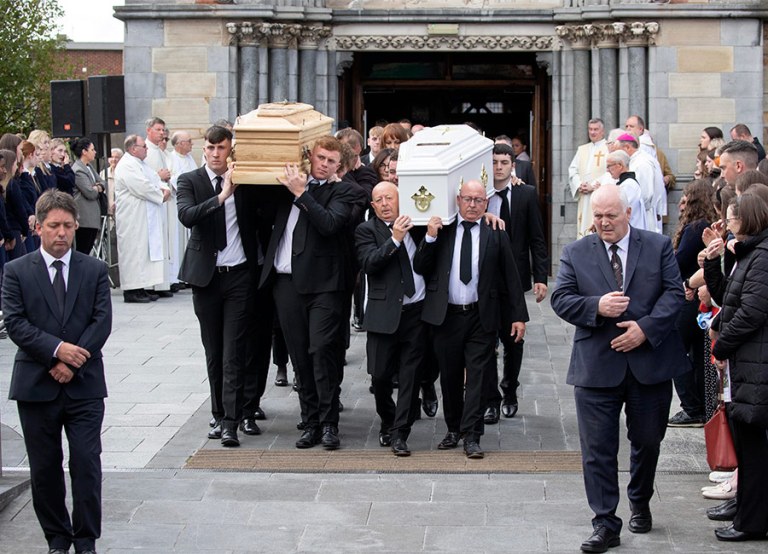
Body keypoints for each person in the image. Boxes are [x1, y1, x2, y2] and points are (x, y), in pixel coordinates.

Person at [551, 184, 688, 553]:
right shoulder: (576, 252)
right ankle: (605, 522)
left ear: (628, 212)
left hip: (650, 364)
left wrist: (645, 329)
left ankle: (640, 499)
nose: (604, 222)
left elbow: (675, 294)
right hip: (597, 365)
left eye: (611, 215)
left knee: (647, 439)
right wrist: (596, 306)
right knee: (597, 448)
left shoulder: (657, 246)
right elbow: (560, 298)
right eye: (597, 216)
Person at [3, 189, 112, 554]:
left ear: (76, 225)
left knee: (86, 463)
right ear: (38, 227)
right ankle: (57, 538)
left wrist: (72, 360)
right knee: (45, 468)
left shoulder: (94, 269)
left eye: (68, 225)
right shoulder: (16, 271)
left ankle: (86, 539)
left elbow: (101, 322)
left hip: (85, 385)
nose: (62, 233)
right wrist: (55, 354)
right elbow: (16, 323)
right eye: (54, 226)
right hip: (36, 385)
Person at [259, 135, 367, 450]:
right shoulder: (288, 184)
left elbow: (330, 223)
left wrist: (301, 193)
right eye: (320, 157)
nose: (323, 164)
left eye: (331, 161)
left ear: (341, 166)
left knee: (323, 352)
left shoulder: (347, 191)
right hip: (286, 283)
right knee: (299, 356)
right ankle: (310, 422)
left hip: (326, 287)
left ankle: (329, 423)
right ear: (311, 157)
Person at [413, 180, 528, 459]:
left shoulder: (495, 232)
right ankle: (454, 429)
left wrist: (518, 316)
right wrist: (429, 237)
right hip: (447, 316)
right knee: (450, 376)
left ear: (486, 203)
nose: (473, 205)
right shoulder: (443, 229)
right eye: (468, 199)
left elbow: (511, 276)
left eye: (479, 200)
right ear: (458, 200)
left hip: (481, 315)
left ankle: (473, 435)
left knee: (477, 375)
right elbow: (420, 265)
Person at [177, 125, 263, 447]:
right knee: (213, 351)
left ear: (231, 150)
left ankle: (231, 420)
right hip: (206, 277)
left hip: (240, 275)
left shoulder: (245, 182)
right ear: (204, 149)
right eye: (211, 149)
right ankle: (217, 413)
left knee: (233, 352)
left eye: (222, 148)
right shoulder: (190, 181)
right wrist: (222, 196)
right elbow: (187, 215)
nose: (216, 154)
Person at [705, 192, 768, 542]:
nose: (727, 225)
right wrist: (713, 263)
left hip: (755, 362)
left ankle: (752, 521)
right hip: (745, 360)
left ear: (749, 219)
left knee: (753, 446)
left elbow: (752, 311)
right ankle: (747, 513)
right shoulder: (749, 253)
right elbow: (728, 296)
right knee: (748, 444)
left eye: (731, 219)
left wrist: (723, 343)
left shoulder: (761, 255)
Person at [355, 181, 427, 456]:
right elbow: (369, 263)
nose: (385, 203)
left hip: (416, 312)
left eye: (389, 197)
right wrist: (394, 239)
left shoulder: (417, 225)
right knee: (381, 376)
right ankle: (388, 419)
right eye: (379, 200)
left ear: (400, 200)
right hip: (383, 314)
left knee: (410, 376)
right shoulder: (366, 231)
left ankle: (400, 433)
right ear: (373, 206)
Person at [484, 143, 547, 423]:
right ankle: (490, 400)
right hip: (484, 278)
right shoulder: (479, 195)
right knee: (484, 341)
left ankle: (510, 389)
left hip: (515, 278)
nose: (499, 167)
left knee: (513, 339)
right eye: (494, 162)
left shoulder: (526, 194)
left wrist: (541, 277)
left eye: (504, 162)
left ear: (513, 166)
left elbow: (537, 236)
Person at [667, 181, 717, 427]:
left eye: (685, 199)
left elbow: (679, 262)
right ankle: (702, 407)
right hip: (698, 298)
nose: (680, 203)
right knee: (698, 354)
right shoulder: (707, 226)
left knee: (675, 349)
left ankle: (691, 406)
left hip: (690, 298)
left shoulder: (696, 227)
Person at [113, 135, 171, 303]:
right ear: (133, 149)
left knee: (143, 251)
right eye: (143, 146)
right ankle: (131, 289)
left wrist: (164, 189)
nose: (146, 148)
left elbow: (155, 179)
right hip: (132, 218)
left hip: (143, 216)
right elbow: (142, 186)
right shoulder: (126, 165)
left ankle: (142, 286)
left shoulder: (141, 164)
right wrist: (161, 194)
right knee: (134, 251)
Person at [143, 117, 174, 297]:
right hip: (150, 205)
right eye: (158, 129)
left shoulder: (159, 151)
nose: (162, 133)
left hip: (162, 202)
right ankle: (151, 285)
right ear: (149, 130)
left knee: (162, 243)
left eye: (163, 130)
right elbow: (144, 177)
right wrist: (159, 176)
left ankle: (161, 284)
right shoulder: (145, 151)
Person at [569, 118, 609, 238]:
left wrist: (593, 185)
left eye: (596, 129)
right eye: (590, 129)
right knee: (584, 228)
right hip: (584, 197)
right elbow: (572, 170)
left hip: (600, 195)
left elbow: (611, 172)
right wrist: (579, 184)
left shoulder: (608, 148)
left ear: (602, 131)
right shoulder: (582, 149)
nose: (592, 132)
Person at [168, 131, 196, 286]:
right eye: (189, 141)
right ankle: (178, 276)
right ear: (179, 144)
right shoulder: (171, 158)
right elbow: (174, 179)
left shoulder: (190, 158)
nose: (192, 143)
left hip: (193, 203)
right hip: (178, 205)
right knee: (177, 242)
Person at [70, 138, 106, 255]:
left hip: (92, 218)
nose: (95, 152)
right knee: (82, 250)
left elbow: (102, 182)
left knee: (88, 248)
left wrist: (98, 186)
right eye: (92, 149)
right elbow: (89, 192)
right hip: (85, 219)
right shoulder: (78, 169)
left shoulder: (89, 167)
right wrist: (97, 188)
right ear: (84, 151)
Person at [605, 150, 647, 230]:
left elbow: (619, 209)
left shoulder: (628, 185)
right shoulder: (625, 184)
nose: (607, 170)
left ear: (620, 165)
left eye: (609, 166)